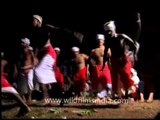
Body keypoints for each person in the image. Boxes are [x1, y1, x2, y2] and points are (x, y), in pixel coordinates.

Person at [103, 20, 138, 98]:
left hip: (123, 59)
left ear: (113, 30)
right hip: (114, 60)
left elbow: (134, 44)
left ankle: (130, 92)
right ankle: (117, 94)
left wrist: (135, 55)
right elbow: (106, 52)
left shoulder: (122, 36)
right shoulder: (109, 40)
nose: (108, 33)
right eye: (107, 32)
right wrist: (106, 62)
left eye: (110, 31)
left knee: (125, 74)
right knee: (114, 77)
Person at [1, 52, 31, 117]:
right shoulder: (4, 62)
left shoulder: (4, 62)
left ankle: (25, 107)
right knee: (10, 90)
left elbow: (12, 72)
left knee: (10, 90)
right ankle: (24, 107)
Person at [89, 34, 112, 99]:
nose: (100, 41)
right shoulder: (93, 51)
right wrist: (93, 64)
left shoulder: (107, 49)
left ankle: (106, 96)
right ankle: (98, 96)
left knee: (107, 81)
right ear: (97, 41)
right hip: (97, 67)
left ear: (103, 41)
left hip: (105, 67)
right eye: (98, 40)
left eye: (101, 40)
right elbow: (90, 59)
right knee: (97, 82)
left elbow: (110, 58)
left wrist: (110, 65)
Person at [16, 38, 36, 104]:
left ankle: (29, 98)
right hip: (22, 70)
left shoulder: (30, 51)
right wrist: (19, 68)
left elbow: (34, 63)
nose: (21, 44)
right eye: (21, 42)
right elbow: (19, 61)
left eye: (23, 43)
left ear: (27, 44)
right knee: (21, 85)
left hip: (29, 70)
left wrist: (27, 67)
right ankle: (23, 98)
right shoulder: (20, 51)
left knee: (29, 83)